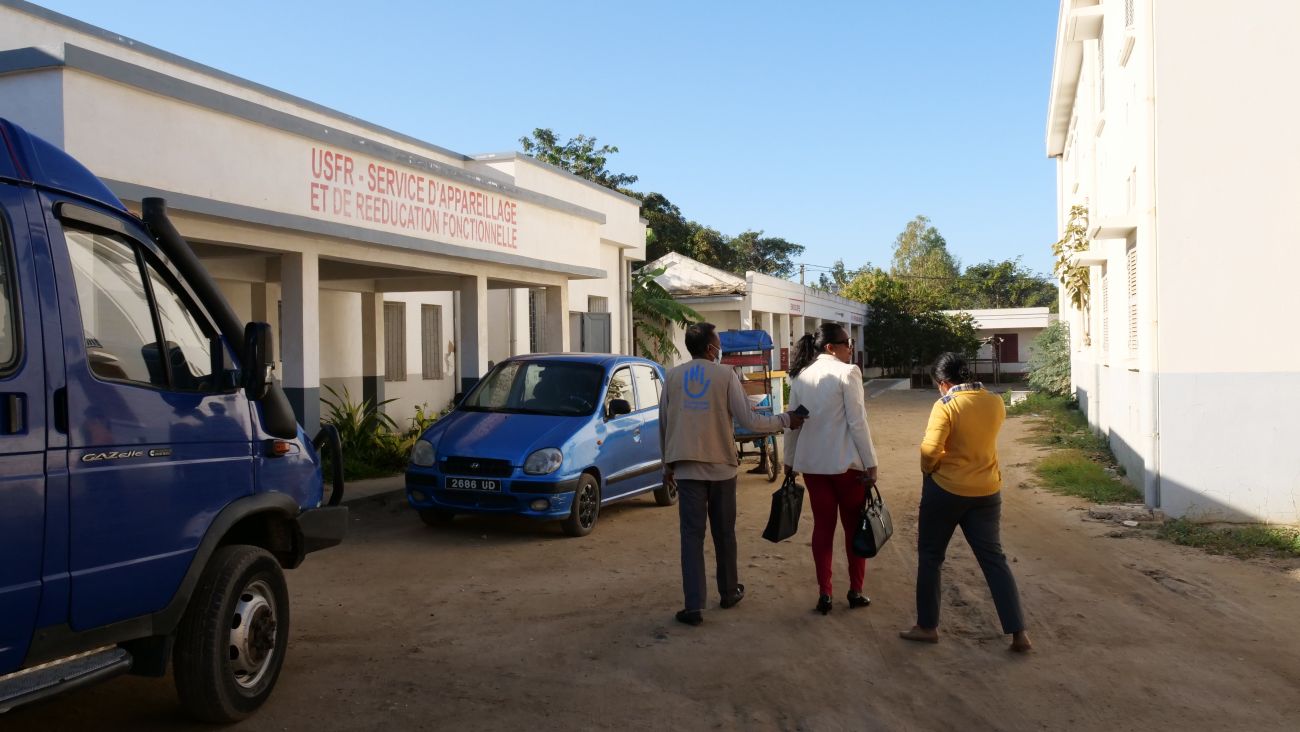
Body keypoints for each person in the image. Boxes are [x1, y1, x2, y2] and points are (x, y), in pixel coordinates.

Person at [660, 322, 807, 627]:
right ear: (711, 348)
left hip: (686, 469)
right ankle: (728, 592)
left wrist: (667, 466)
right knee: (724, 534)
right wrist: (786, 419)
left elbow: (664, 425)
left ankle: (693, 606)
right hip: (721, 470)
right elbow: (750, 420)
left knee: (691, 537)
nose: (719, 348)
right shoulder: (725, 375)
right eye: (717, 342)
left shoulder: (672, 376)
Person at [900, 352, 1032, 653]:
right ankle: (1018, 632)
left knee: (931, 556)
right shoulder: (995, 401)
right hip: (987, 490)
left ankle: (927, 626)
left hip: (946, 490)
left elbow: (931, 449)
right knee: (994, 560)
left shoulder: (946, 405)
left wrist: (929, 468)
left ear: (943, 383)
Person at [783, 323, 878, 615]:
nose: (850, 348)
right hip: (846, 466)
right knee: (853, 529)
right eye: (847, 343)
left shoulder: (800, 377)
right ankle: (855, 590)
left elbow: (793, 423)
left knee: (823, 528)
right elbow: (857, 422)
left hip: (813, 466)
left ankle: (825, 593)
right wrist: (871, 463)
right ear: (830, 348)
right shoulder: (847, 373)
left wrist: (789, 460)